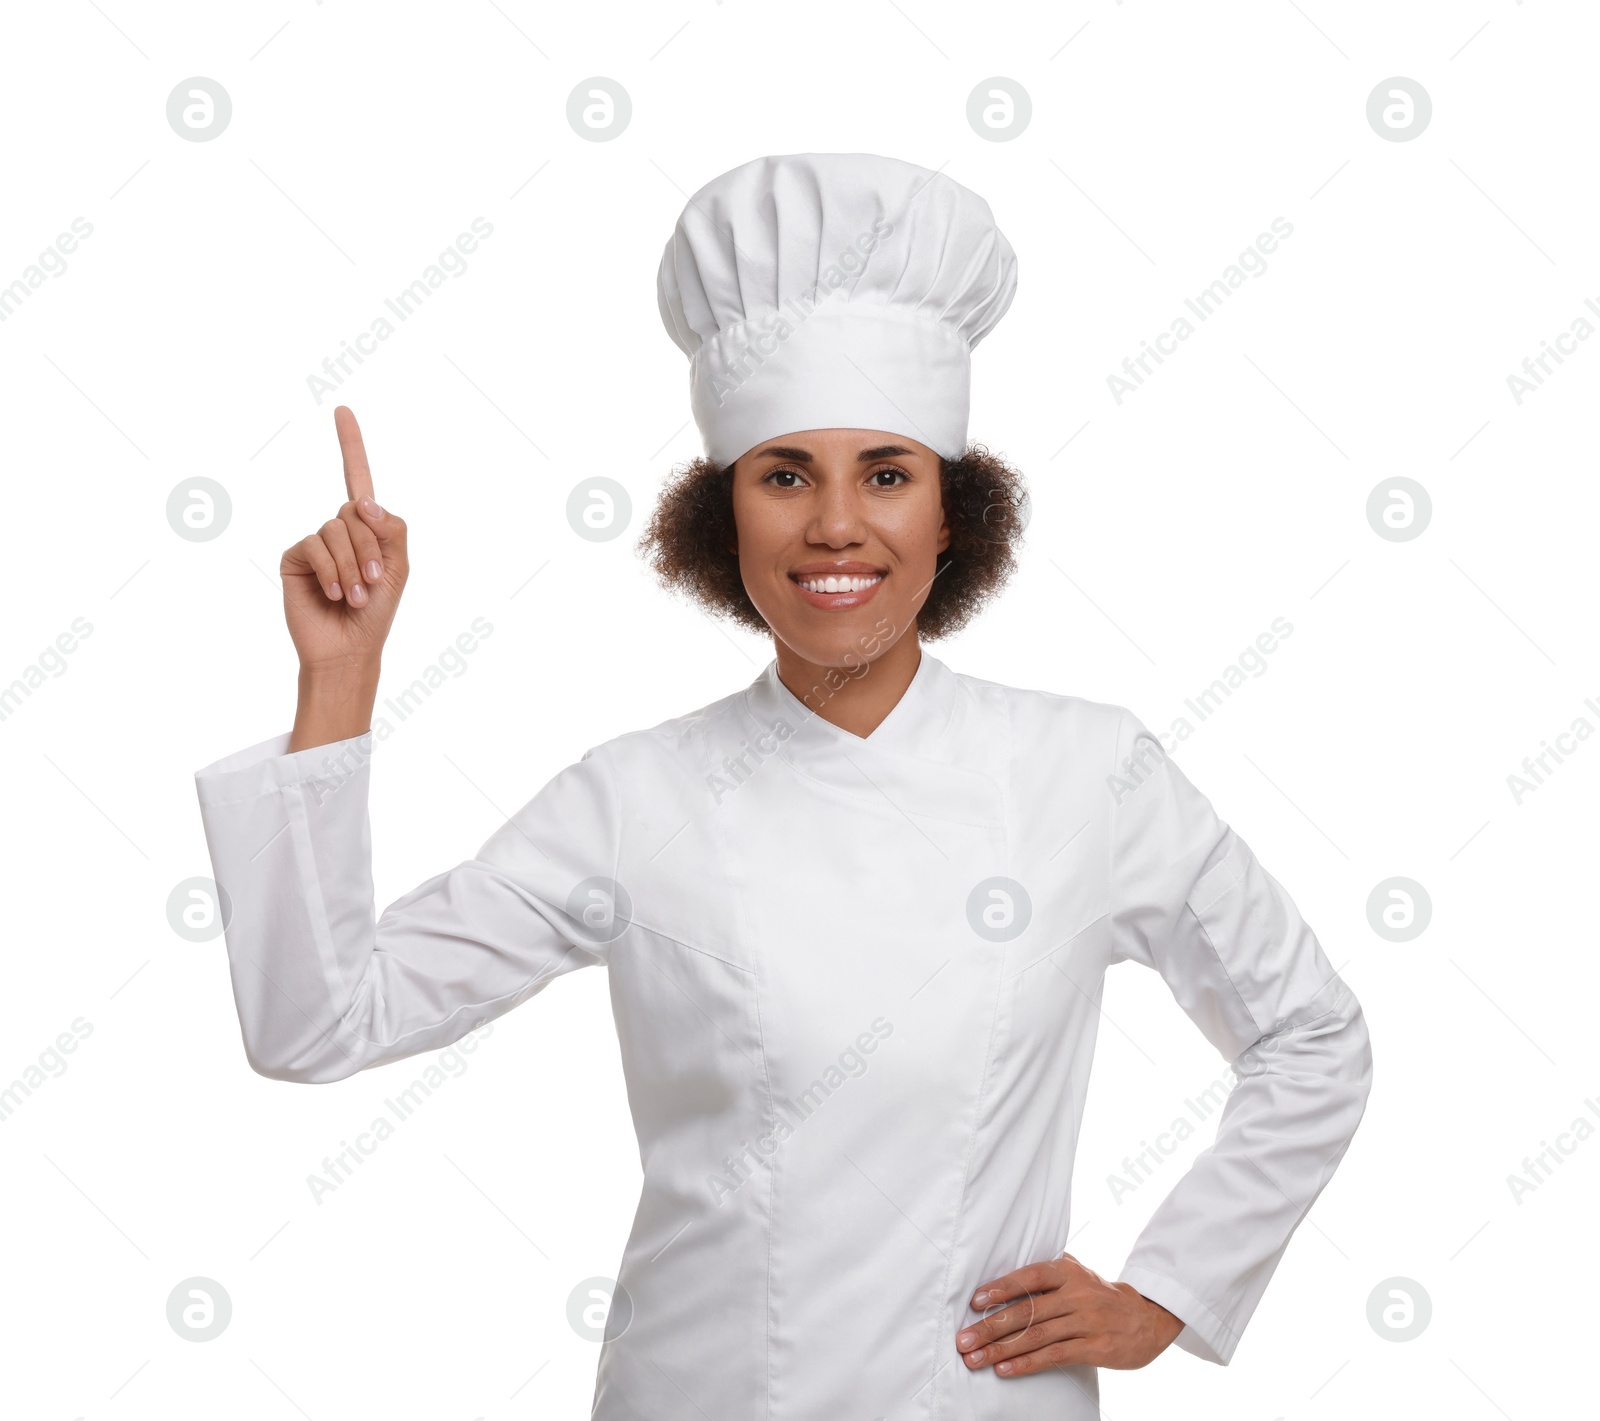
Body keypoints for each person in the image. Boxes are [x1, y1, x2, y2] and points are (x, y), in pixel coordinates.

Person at [194, 154, 1372, 1419]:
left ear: (951, 513)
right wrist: (340, 680)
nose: (833, 527)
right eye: (784, 474)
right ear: (723, 517)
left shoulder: (1091, 772)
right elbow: (319, 1026)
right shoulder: (635, 796)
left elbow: (1310, 1036)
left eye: (884, 472)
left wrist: (1170, 1290)